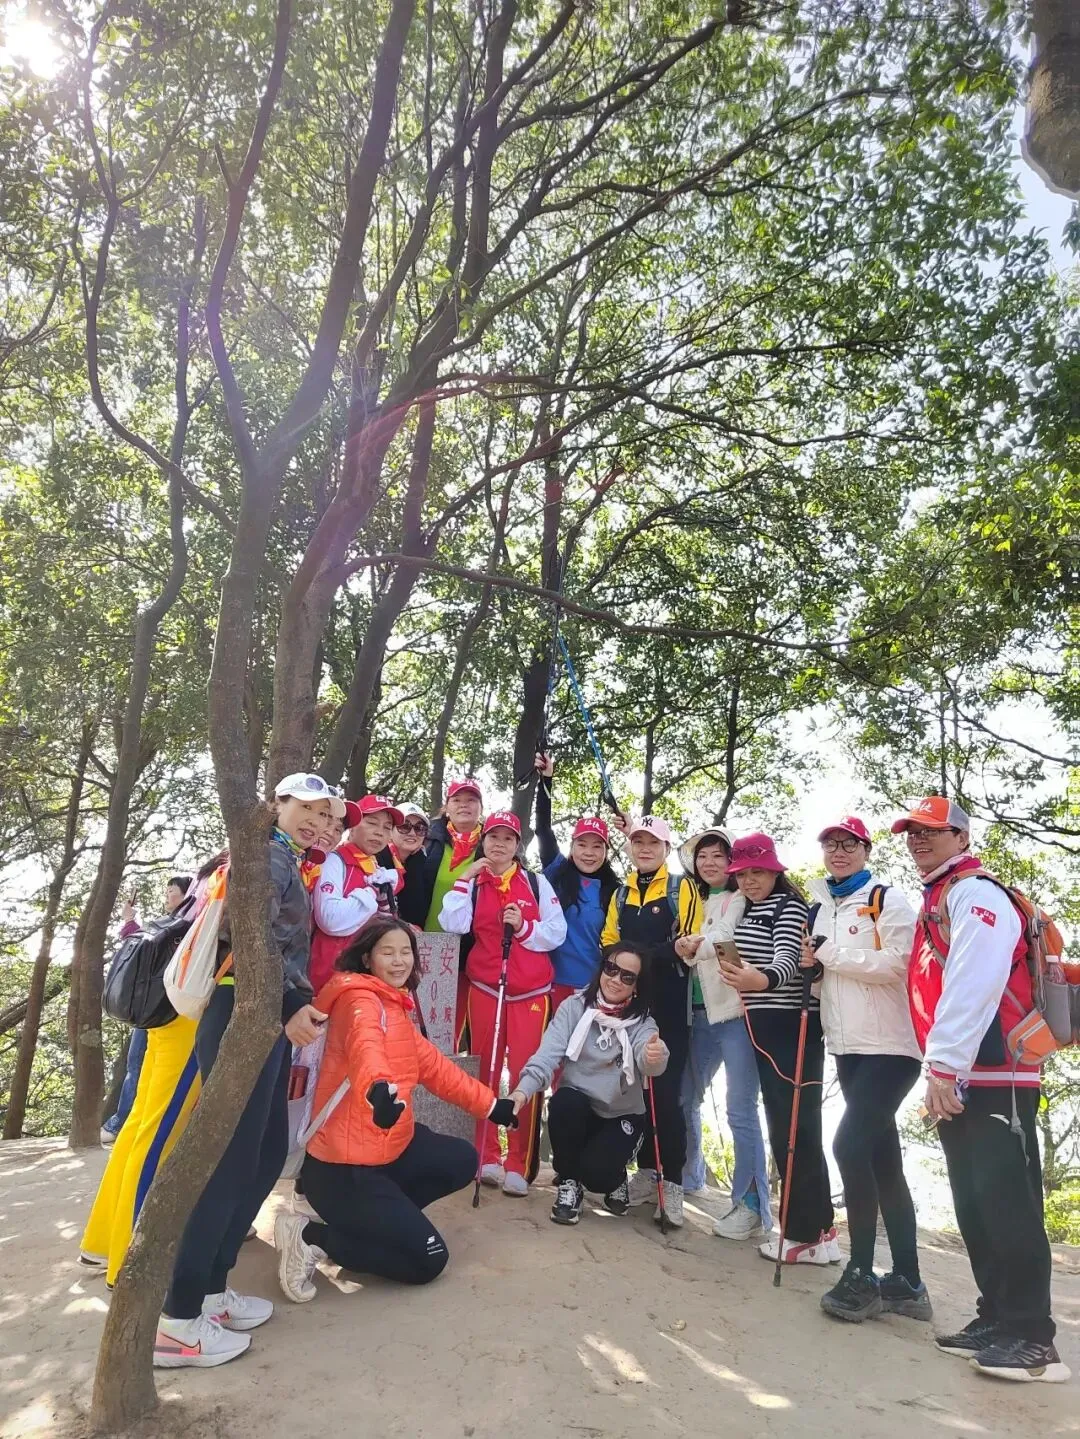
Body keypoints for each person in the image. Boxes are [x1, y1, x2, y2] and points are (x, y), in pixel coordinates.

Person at [154, 773, 335, 1370]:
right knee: (231, 1162)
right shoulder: (266, 858)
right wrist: (291, 1004)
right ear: (276, 805)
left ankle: (211, 1292)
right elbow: (250, 938)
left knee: (263, 1153)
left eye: (325, 814)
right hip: (242, 1009)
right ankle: (179, 1321)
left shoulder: (283, 858)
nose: (316, 821)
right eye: (306, 807)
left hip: (261, 1015)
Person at [898, 796, 1069, 1383]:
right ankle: (996, 1316)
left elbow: (976, 978)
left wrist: (944, 1066)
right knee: (974, 1200)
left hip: (999, 1073)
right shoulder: (941, 896)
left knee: (1007, 1202)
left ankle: (1033, 1340)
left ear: (962, 838)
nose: (919, 840)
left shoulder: (977, 893)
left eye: (932, 831)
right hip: (969, 1072)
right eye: (912, 832)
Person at [274, 917, 516, 1301]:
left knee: (460, 1159)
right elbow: (366, 1048)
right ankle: (311, 1236)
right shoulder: (359, 1001)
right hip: (344, 1169)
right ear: (367, 958)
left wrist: (491, 1106)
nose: (399, 960)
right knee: (428, 1260)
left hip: (387, 1151)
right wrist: (378, 1093)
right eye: (388, 952)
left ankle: (371, 1226)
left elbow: (436, 1069)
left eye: (406, 951)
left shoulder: (393, 1004)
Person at [807, 815, 927, 1323]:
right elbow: (828, 975)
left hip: (892, 1048)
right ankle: (908, 1282)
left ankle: (861, 1273)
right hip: (847, 1046)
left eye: (849, 844)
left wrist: (832, 955)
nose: (839, 851)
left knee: (849, 1146)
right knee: (883, 1162)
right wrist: (817, 972)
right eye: (831, 844)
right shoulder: (821, 906)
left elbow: (901, 963)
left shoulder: (887, 900)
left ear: (866, 850)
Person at [80, 862, 224, 1283]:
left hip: (164, 1014)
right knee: (159, 1134)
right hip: (189, 1018)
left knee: (142, 1125)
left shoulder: (210, 873)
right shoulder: (241, 870)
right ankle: (130, 1264)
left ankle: (102, 1241)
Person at [717, 832, 835, 1264]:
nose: (749, 881)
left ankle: (803, 1234)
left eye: (758, 872)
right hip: (764, 1029)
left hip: (791, 1027)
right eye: (742, 874)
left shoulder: (788, 907)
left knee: (795, 1130)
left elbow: (789, 960)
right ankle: (820, 1232)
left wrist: (759, 979)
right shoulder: (747, 908)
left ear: (775, 872)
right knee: (790, 1126)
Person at [439, 809, 566, 1195]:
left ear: (517, 845)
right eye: (493, 837)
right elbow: (452, 924)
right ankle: (486, 1155)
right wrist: (464, 879)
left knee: (527, 1075)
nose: (499, 844)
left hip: (530, 993)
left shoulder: (535, 882)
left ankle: (519, 1163)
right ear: (484, 841)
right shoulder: (475, 882)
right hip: (485, 989)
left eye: (508, 838)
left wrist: (524, 927)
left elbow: (556, 932)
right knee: (486, 1073)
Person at [509, 943, 668, 1223]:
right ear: (601, 969)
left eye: (627, 977)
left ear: (636, 987)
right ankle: (569, 1183)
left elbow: (649, 1059)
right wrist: (521, 1092)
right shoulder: (574, 1007)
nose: (616, 979)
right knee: (564, 1101)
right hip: (579, 1106)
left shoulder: (643, 1022)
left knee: (597, 1176)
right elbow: (548, 1054)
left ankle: (615, 1177)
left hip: (620, 1113)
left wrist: (655, 1055)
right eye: (611, 968)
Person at [601, 815, 701, 1228]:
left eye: (653, 843)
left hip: (670, 1007)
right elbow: (608, 946)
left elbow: (690, 944)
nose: (645, 849)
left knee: (666, 1094)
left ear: (666, 848)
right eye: (638, 841)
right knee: (631, 1090)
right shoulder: (621, 893)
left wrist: (640, 957)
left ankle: (672, 1182)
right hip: (628, 1004)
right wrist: (658, 952)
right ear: (630, 846)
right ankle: (644, 1173)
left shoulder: (681, 888)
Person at [675, 829, 772, 1242]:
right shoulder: (691, 899)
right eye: (703, 856)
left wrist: (691, 945)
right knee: (685, 1097)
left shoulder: (739, 898)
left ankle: (751, 1205)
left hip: (734, 1014)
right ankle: (688, 1176)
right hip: (697, 1015)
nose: (709, 863)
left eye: (719, 855)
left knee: (740, 1108)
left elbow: (725, 938)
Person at [100, 876, 194, 1145]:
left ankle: (123, 1122)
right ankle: (126, 1121)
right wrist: (129, 920)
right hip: (153, 1009)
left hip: (166, 1011)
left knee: (140, 1066)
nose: (167, 896)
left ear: (187, 895)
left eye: (172, 891)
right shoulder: (169, 925)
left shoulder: (184, 926)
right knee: (136, 1065)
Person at [533, 753, 621, 1013]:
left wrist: (630, 830)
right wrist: (546, 780)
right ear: (571, 847)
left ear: (606, 851)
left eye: (597, 846)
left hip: (591, 988)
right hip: (547, 984)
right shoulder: (557, 871)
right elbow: (543, 828)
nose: (589, 853)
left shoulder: (614, 891)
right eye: (582, 844)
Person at [309, 795, 405, 993]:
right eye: (372, 823)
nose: (379, 832)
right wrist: (371, 891)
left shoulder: (374, 868)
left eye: (387, 827)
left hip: (361, 977)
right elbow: (330, 919)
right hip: (328, 977)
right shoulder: (334, 860)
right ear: (352, 827)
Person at [398, 779, 484, 931]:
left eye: (471, 800)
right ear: (446, 808)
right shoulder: (425, 836)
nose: (463, 805)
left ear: (481, 808)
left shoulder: (492, 844)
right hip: (421, 934)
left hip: (473, 939)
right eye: (456, 800)